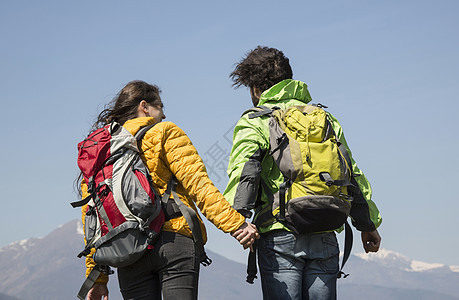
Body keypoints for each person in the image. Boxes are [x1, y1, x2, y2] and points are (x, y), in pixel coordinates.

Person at [223, 46, 382, 300]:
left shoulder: (255, 120)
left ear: (255, 88)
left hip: (279, 234)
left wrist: (238, 219)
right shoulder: (325, 118)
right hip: (326, 230)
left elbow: (245, 173)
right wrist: (367, 224)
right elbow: (351, 174)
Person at [78, 80, 258, 300]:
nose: (163, 115)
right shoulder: (164, 132)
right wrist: (236, 225)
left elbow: (94, 219)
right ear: (144, 106)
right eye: (160, 107)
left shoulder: (101, 153)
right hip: (173, 240)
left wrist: (97, 277)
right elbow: (199, 185)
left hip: (128, 250)